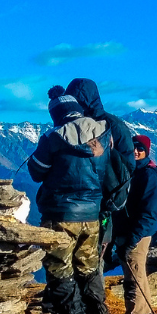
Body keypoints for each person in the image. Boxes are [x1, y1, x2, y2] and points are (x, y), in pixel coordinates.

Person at [28, 87, 112, 314]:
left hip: (60, 215)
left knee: (60, 272)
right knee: (88, 270)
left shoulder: (53, 138)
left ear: (56, 114)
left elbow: (36, 172)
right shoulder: (103, 132)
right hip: (92, 214)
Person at [65, 79, 136, 253]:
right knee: (89, 263)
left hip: (95, 205)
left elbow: (126, 167)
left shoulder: (73, 126)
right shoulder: (115, 125)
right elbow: (129, 166)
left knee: (88, 260)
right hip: (97, 203)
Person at [113, 134, 157, 314]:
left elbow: (148, 214)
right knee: (136, 274)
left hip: (138, 235)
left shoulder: (149, 176)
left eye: (140, 148)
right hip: (128, 232)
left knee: (134, 276)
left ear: (146, 151)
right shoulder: (133, 171)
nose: (135, 151)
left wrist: (132, 239)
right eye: (133, 147)